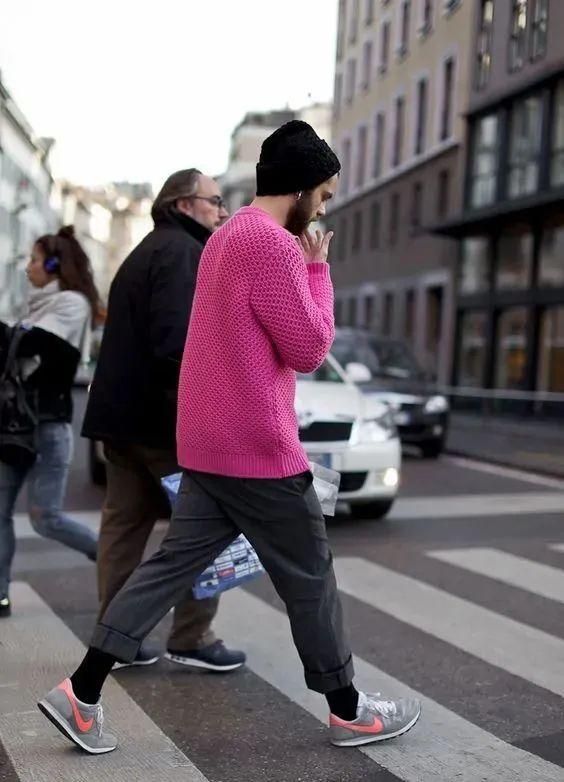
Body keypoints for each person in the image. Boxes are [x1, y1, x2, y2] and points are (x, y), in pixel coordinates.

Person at [38, 122, 421, 753]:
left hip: (209, 443)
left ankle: (79, 693)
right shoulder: (269, 245)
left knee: (165, 570)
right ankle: (349, 710)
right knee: (311, 575)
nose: (323, 208)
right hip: (257, 447)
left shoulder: (224, 237)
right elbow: (307, 347)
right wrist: (318, 271)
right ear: (299, 188)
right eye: (322, 195)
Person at [81, 169, 245, 671]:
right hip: (166, 423)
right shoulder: (184, 254)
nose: (222, 210)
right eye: (214, 201)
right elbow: (179, 342)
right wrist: (212, 410)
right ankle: (192, 637)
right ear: (182, 205)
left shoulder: (145, 251)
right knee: (206, 526)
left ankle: (117, 637)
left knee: (123, 529)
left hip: (123, 421)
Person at [0, 227, 99, 617]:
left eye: (35, 260)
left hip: (48, 428)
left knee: (45, 518)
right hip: (14, 427)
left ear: (56, 265)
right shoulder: (34, 307)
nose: (28, 268)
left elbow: (33, 347)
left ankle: (107, 558)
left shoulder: (72, 304)